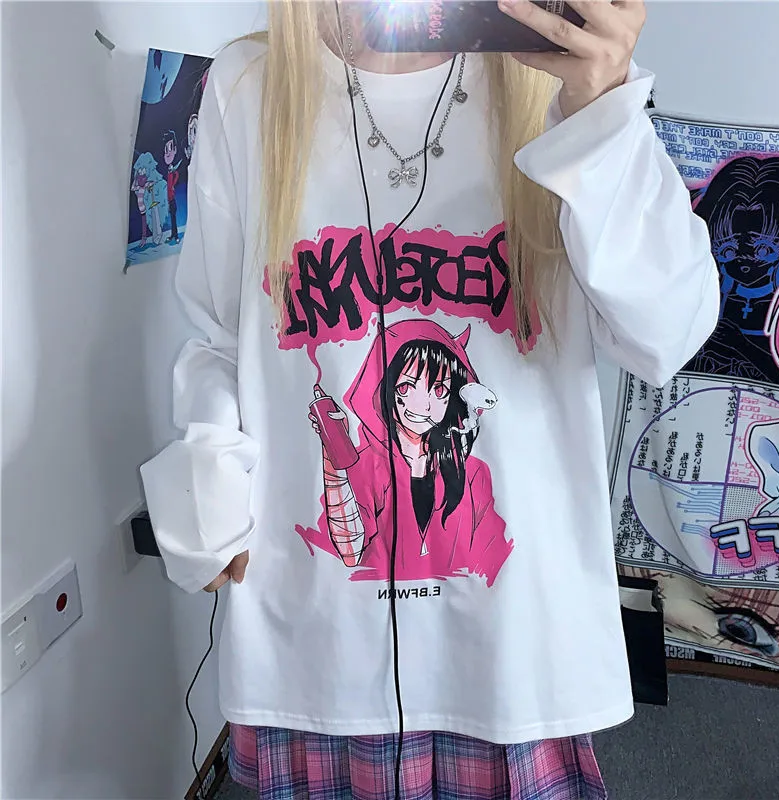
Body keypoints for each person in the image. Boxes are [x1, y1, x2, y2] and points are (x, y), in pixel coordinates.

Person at [141, 1, 720, 797]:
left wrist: (603, 112)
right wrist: (208, 460)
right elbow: (218, 331)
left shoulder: (552, 83)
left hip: (510, 651)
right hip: (318, 642)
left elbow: (667, 334)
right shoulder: (251, 85)